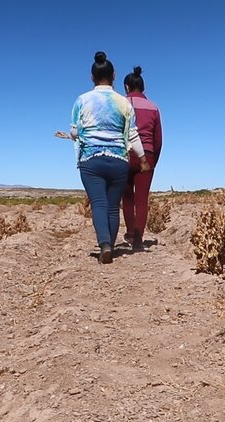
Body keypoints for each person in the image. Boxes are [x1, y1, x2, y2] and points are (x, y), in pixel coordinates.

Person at [56, 51, 147, 264]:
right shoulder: (124, 103)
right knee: (113, 206)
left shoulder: (82, 100)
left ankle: (104, 244)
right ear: (114, 75)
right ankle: (112, 247)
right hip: (118, 161)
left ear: (91, 77)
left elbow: (75, 132)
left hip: (91, 160)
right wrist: (142, 159)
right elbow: (132, 134)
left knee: (98, 203)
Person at [121, 66, 162, 251]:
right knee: (142, 199)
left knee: (127, 196)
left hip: (125, 153)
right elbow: (158, 138)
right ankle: (138, 238)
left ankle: (130, 234)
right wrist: (153, 161)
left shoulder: (121, 103)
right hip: (148, 154)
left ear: (127, 87)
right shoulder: (153, 107)